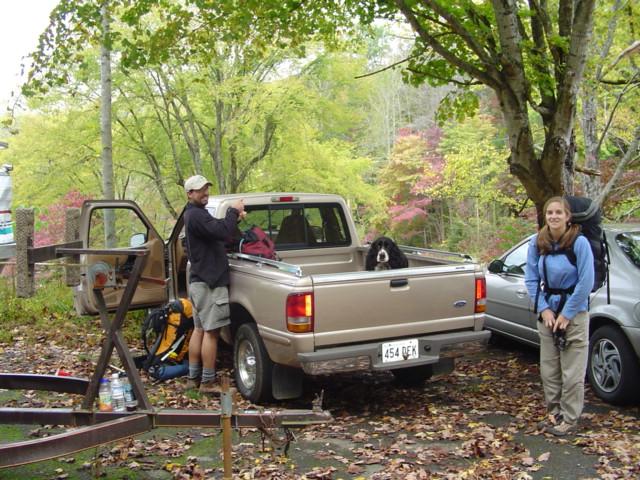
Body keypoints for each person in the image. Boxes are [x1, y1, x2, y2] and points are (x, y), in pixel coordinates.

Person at [524, 196, 594, 436]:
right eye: (550, 213)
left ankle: (570, 418)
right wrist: (544, 309)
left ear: (567, 216)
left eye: (558, 213)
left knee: (572, 373)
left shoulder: (579, 243)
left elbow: (586, 281)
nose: (553, 216)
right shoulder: (537, 242)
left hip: (574, 314)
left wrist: (567, 312)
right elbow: (531, 279)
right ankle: (554, 413)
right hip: (548, 314)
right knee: (549, 370)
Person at [183, 174, 246, 393]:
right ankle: (208, 383)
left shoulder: (195, 215)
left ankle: (193, 378)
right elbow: (220, 230)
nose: (205, 192)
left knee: (199, 330)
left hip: (200, 280)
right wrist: (233, 211)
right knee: (211, 333)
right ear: (190, 193)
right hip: (209, 283)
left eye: (207, 188)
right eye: (200, 190)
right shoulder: (196, 216)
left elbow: (217, 230)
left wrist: (233, 220)